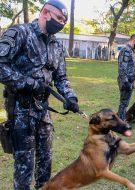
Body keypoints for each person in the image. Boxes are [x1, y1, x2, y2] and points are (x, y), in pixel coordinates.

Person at [0, 0, 80, 189]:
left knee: (45, 163)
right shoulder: (20, 33)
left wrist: (70, 97)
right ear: (45, 12)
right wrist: (29, 84)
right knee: (24, 168)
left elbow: (60, 77)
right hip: (21, 110)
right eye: (59, 18)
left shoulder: (57, 46)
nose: (61, 23)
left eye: (64, 21)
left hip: (43, 112)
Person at [117, 33, 135, 120]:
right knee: (124, 103)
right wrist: (126, 82)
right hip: (126, 81)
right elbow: (122, 68)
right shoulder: (126, 50)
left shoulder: (130, 50)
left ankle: (121, 118)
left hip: (129, 81)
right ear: (134, 40)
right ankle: (121, 120)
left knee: (125, 102)